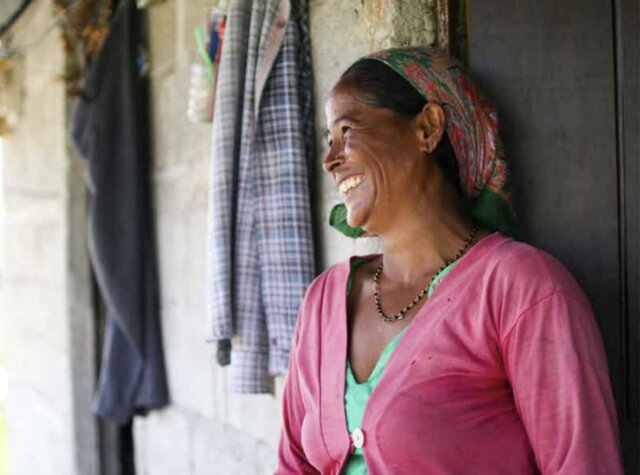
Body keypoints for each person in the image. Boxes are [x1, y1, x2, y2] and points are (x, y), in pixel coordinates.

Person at [275, 47, 623, 474]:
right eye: (329, 141)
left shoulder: (522, 288)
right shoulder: (323, 302)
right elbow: (294, 465)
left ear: (428, 127)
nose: (330, 161)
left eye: (347, 130)